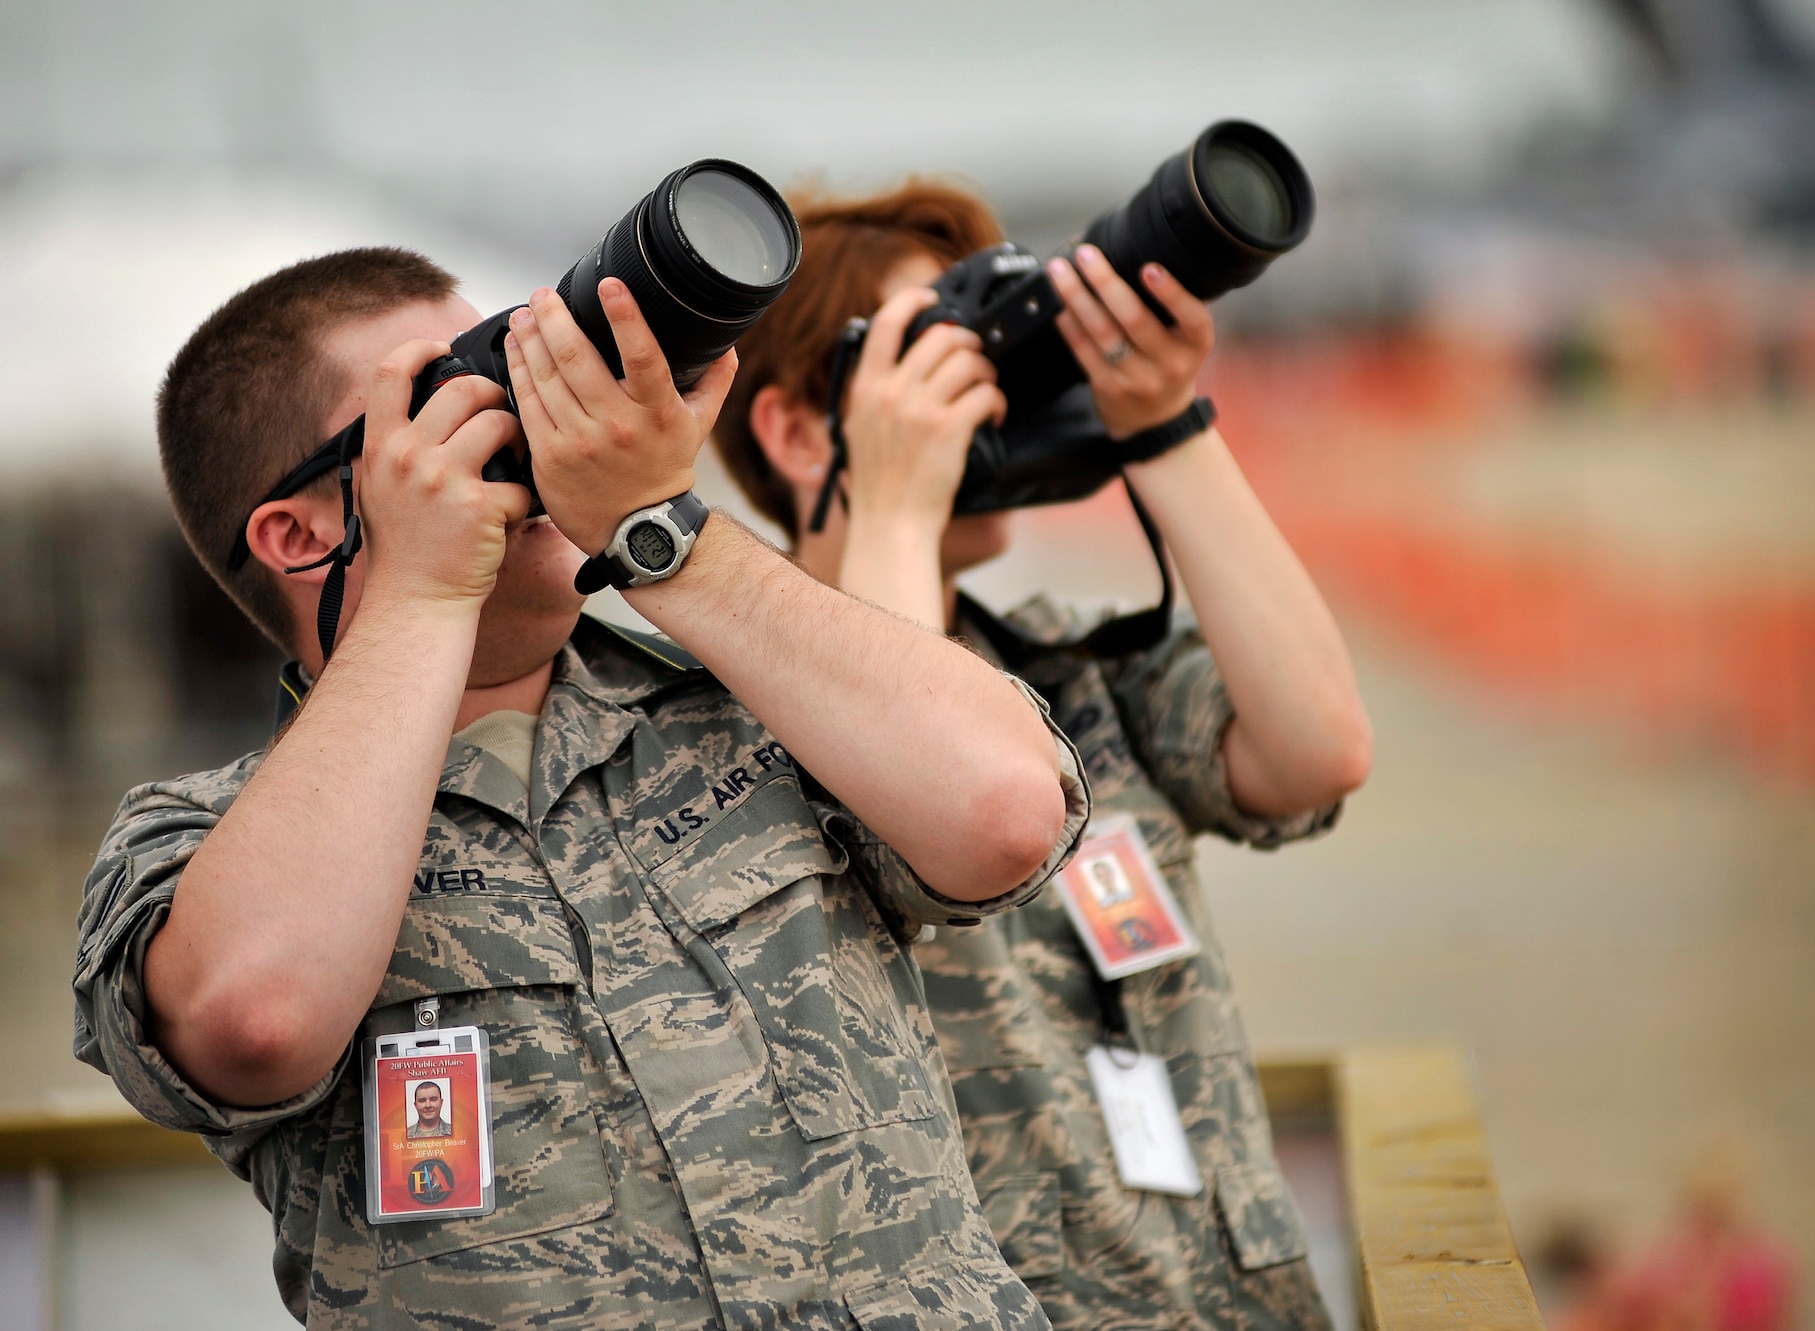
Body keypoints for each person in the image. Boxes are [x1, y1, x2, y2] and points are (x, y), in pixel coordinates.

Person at [73, 247, 1090, 1328]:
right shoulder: (198, 846)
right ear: (302, 529)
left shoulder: (756, 703)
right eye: (445, 408)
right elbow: (258, 1017)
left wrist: (662, 527)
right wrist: (422, 588)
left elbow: (1009, 812)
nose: (521, 425)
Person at [714, 183, 1373, 1329]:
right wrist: (895, 507)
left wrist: (1162, 419)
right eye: (935, 357)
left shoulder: (1072, 674)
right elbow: (907, 807)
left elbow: (1315, 748)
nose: (990, 398)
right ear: (796, 428)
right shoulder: (717, 740)